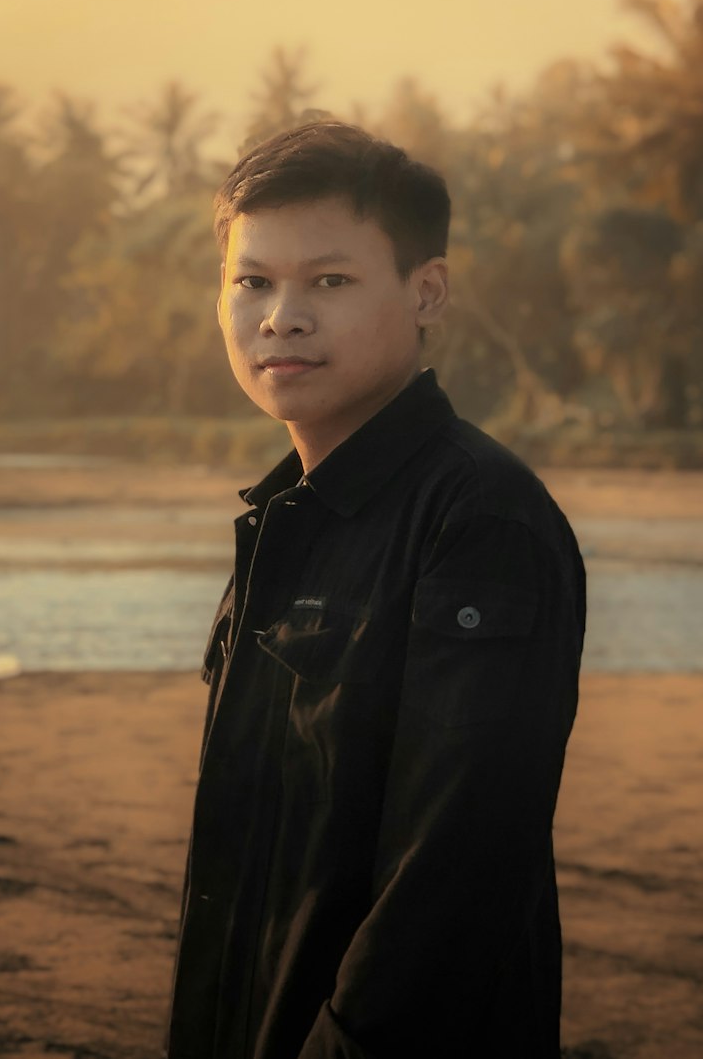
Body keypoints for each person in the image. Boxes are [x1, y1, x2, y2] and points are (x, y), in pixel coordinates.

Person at [164, 118, 586, 1059]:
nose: (281, 317)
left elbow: (457, 867)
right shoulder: (291, 517)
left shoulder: (479, 521)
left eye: (331, 281)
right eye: (252, 282)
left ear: (426, 291)